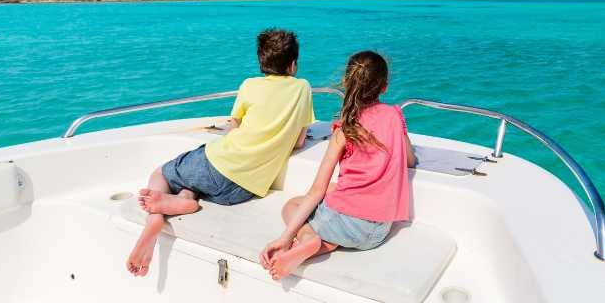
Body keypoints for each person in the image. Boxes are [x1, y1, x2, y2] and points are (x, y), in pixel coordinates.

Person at [126, 28, 315, 277]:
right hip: (242, 190)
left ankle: (155, 219)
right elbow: (300, 141)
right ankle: (185, 199)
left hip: (219, 163)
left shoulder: (249, 85)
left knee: (161, 174)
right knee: (192, 183)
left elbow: (233, 127)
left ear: (262, 62)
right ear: (293, 65)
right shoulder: (303, 88)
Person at [260, 50, 416, 281]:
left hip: (344, 223)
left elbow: (316, 190)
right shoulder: (395, 116)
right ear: (384, 87)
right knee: (335, 192)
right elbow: (409, 159)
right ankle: (317, 245)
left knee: (291, 205)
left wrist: (285, 237)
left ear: (347, 84)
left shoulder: (344, 130)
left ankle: (306, 239)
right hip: (377, 232)